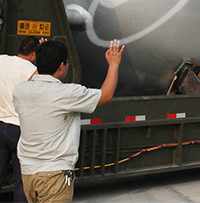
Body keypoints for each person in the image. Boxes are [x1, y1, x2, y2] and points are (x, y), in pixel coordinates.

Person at [13, 39, 124, 203]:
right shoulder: (67, 93)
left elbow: (37, 79)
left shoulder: (20, 90)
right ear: (61, 66)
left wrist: (45, 56)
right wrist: (114, 64)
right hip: (53, 174)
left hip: (28, 172)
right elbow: (105, 95)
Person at [0, 36, 38, 203]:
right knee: (21, 178)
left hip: (1, 124)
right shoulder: (31, 70)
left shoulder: (2, 60)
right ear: (34, 54)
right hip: (19, 128)